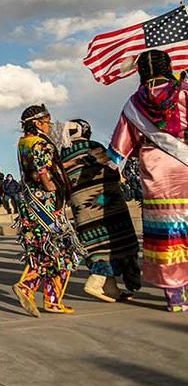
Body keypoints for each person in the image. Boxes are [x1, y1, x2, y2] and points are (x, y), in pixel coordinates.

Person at [108, 49, 188, 312]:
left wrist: (112, 166)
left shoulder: (133, 104)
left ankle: (174, 295)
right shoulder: (184, 91)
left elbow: (120, 145)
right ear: (168, 66)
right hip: (184, 164)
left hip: (155, 170)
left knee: (166, 232)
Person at [12, 104, 83, 317]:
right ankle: (28, 286)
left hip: (31, 203)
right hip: (46, 204)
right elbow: (43, 170)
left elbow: (36, 168)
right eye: (46, 122)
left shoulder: (23, 142)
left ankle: (52, 300)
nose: (49, 126)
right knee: (61, 249)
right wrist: (49, 184)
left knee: (48, 250)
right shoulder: (40, 143)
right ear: (36, 123)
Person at [60, 119, 141, 302]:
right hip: (106, 204)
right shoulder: (93, 146)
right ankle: (96, 282)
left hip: (82, 209)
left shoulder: (63, 154)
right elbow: (112, 169)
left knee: (96, 245)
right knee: (117, 240)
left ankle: (111, 289)